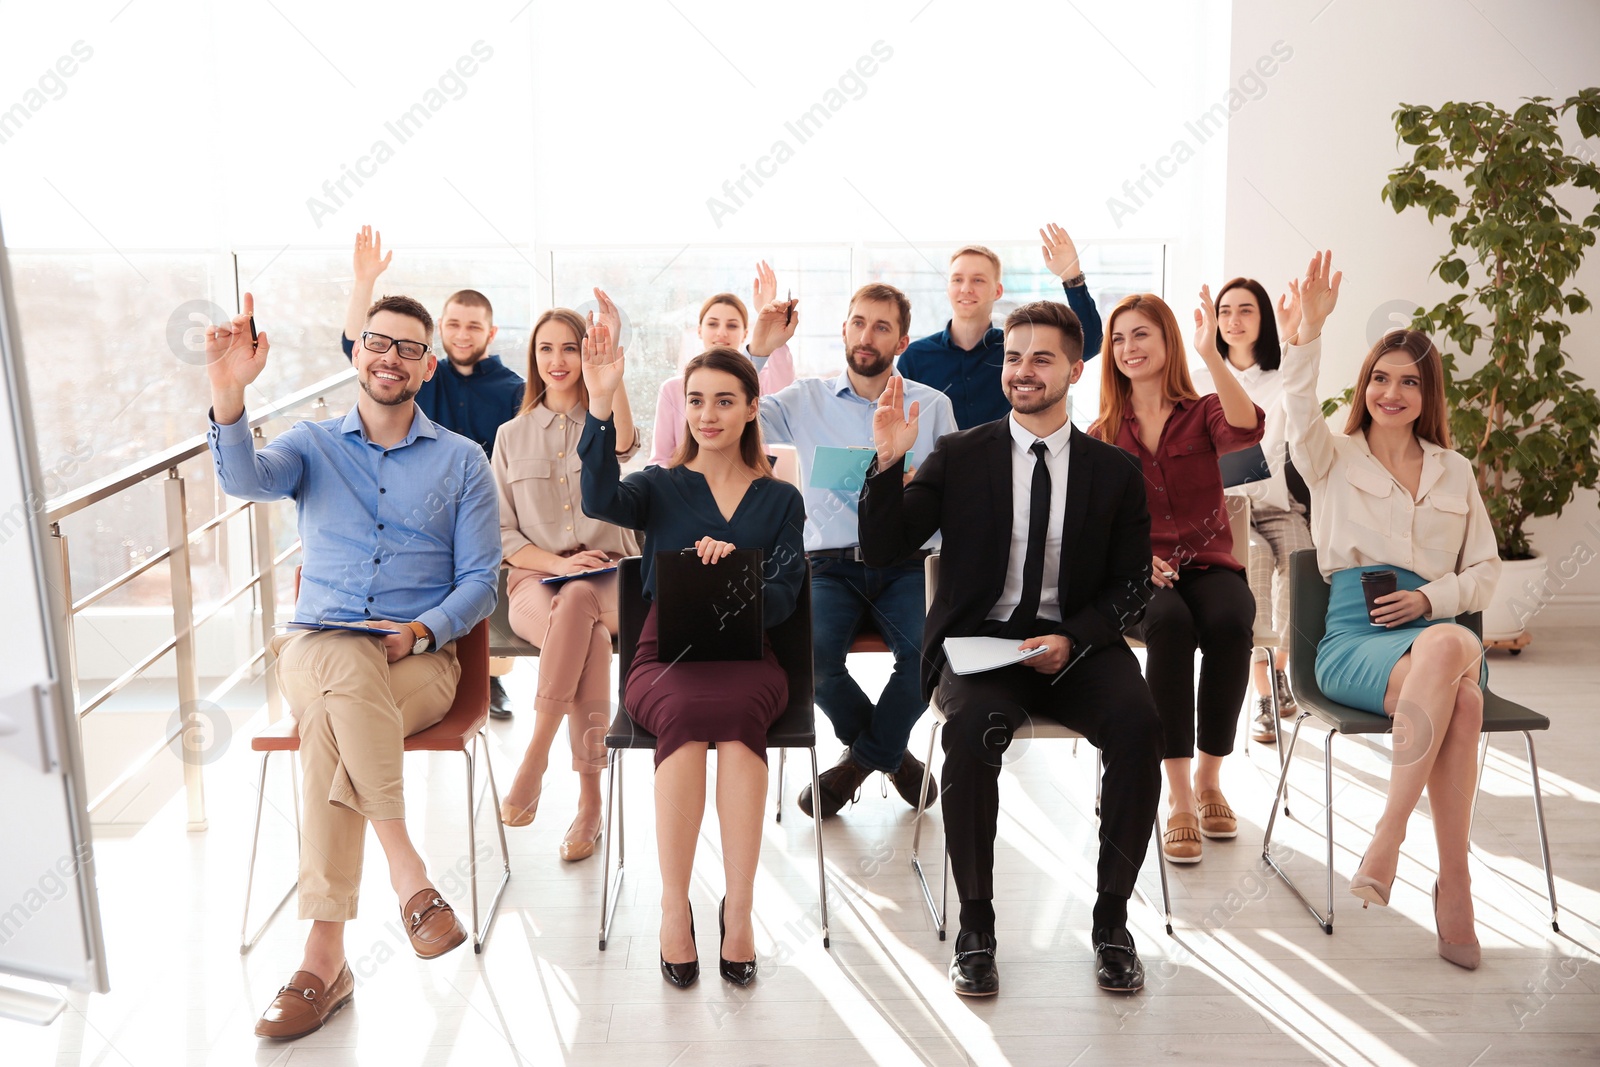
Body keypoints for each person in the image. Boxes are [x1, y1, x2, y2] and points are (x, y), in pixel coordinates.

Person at [207, 293, 499, 1040]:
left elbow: (480, 582)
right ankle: (409, 873)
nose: (389, 357)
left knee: (334, 730)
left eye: (408, 348)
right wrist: (228, 391)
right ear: (355, 351)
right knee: (338, 656)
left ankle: (323, 956)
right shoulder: (310, 445)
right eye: (378, 342)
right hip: (315, 648)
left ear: (427, 367)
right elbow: (244, 479)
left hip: (419, 663)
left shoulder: (464, 461)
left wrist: (422, 631)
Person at [859, 299, 1162, 997]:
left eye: (1040, 358)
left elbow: (1133, 586)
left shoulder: (1113, 472)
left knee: (1140, 722)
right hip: (982, 647)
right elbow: (884, 547)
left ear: (1075, 370)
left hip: (1079, 645)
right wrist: (885, 465)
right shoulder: (960, 455)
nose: (1022, 371)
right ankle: (977, 926)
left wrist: (1073, 638)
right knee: (970, 731)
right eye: (1013, 357)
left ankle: (1112, 919)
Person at [1283, 251, 1497, 970]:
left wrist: (1434, 599)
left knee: (1443, 648)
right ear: (1365, 385)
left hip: (1438, 630)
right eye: (1380, 377)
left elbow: (1487, 572)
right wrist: (1310, 331)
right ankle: (1455, 880)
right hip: (1355, 637)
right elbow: (1298, 408)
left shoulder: (1455, 470)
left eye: (1408, 380)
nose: (1391, 391)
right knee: (1462, 705)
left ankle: (1389, 835)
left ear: (1426, 392)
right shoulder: (1331, 456)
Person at [580, 340, 806, 989]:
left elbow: (789, 594)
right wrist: (600, 404)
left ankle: (739, 908)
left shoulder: (778, 499)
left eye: (724, 401)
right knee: (682, 711)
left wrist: (738, 563)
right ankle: (673, 906)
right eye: (697, 399)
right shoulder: (658, 487)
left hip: (748, 651)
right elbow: (598, 498)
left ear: (751, 407)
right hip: (665, 652)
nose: (707, 414)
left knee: (737, 715)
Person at [757, 282, 958, 818]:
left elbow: (952, 496)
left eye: (882, 326)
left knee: (926, 657)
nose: (867, 336)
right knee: (811, 661)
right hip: (828, 567)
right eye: (858, 322)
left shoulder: (932, 406)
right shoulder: (803, 399)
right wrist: (757, 350)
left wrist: (904, 479)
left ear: (902, 341)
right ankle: (893, 758)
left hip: (908, 566)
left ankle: (856, 764)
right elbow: (728, 411)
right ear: (844, 328)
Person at [1089, 292, 1264, 866]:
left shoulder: (1206, 410)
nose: (1128, 348)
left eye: (1141, 334)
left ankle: (1213, 780)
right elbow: (1094, 525)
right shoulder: (1103, 432)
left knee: (1230, 617)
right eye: (1118, 339)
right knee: (1168, 623)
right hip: (1140, 576)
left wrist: (1213, 354)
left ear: (1168, 341)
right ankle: (1180, 794)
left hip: (1209, 564)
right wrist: (1138, 560)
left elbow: (1246, 430)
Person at [341, 226, 525, 718]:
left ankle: (484, 674)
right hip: (417, 504)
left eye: (474, 326)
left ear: (491, 333)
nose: (463, 334)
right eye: (455, 324)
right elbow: (358, 348)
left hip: (485, 506)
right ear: (440, 330)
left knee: (477, 572)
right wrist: (364, 282)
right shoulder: (419, 369)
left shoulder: (513, 388)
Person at [492, 306, 641, 861]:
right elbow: (503, 535)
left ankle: (535, 754)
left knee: (583, 602)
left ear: (587, 355)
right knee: (589, 633)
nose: (558, 361)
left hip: (616, 579)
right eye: (545, 349)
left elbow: (625, 442)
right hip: (539, 580)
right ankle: (590, 802)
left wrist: (613, 367)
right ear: (533, 358)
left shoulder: (603, 423)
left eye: (570, 348)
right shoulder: (509, 436)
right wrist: (559, 566)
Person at [1191, 277, 1316, 744]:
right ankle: (1263, 694)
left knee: (1303, 563)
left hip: (1277, 504)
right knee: (1257, 563)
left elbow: (1302, 420)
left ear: (1262, 318)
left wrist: (1294, 336)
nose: (1233, 320)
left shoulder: (1283, 375)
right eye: (1224, 311)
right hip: (1226, 510)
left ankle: (1281, 670)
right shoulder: (1200, 378)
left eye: (1245, 310)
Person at [897, 224, 1103, 429]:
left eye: (978, 280)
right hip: (934, 462)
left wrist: (1071, 276)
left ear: (997, 291)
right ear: (948, 288)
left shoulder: (1018, 352)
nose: (966, 289)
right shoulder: (915, 357)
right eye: (957, 279)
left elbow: (1090, 343)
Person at [648, 261, 796, 466]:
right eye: (712, 324)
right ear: (699, 330)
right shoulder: (672, 389)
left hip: (753, 486)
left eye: (732, 325)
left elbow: (786, 388)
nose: (721, 333)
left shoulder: (760, 379)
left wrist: (770, 325)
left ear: (745, 333)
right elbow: (660, 460)